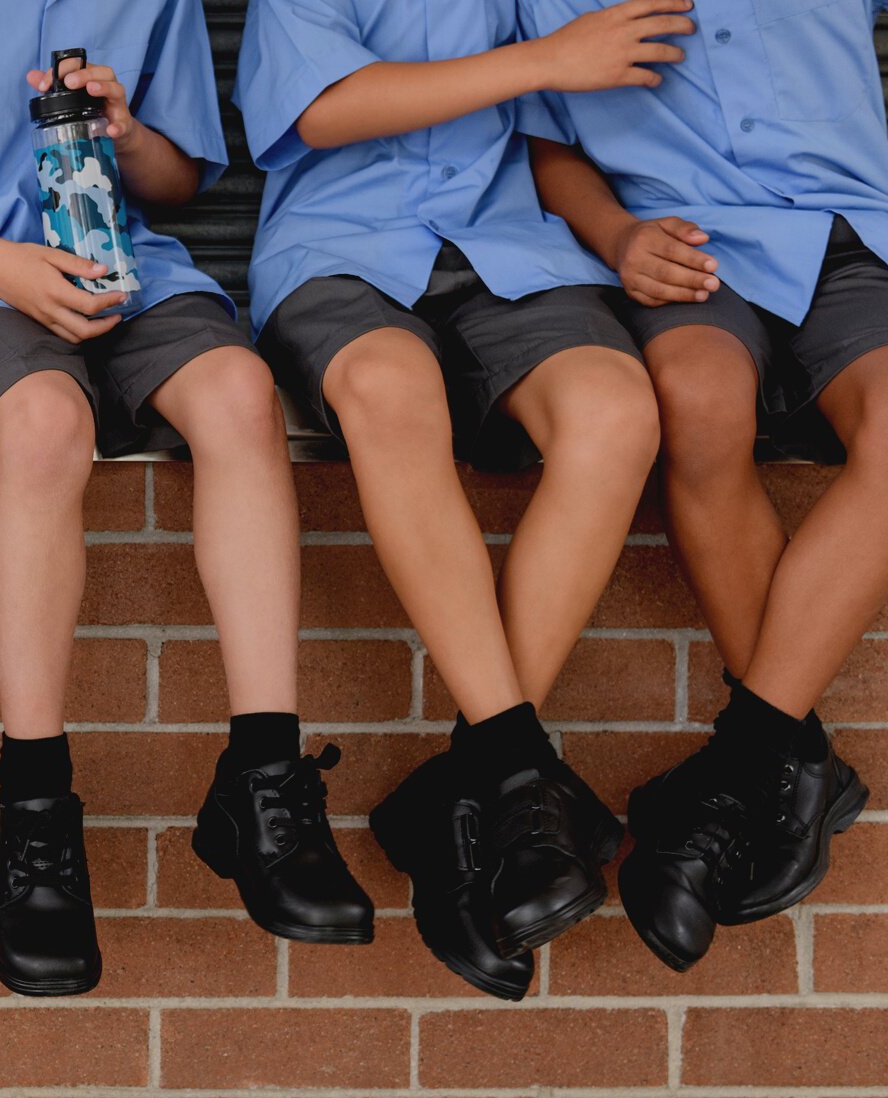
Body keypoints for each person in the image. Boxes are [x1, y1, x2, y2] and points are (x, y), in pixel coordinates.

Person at [0, 0, 375, 1001]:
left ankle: (263, 779)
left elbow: (176, 179)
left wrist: (127, 130)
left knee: (240, 393)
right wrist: (7, 268)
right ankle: (34, 805)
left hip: (122, 269)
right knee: (43, 424)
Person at [522, 0, 888, 970]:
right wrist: (616, 236)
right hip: (682, 249)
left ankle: (756, 761)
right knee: (698, 400)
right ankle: (785, 766)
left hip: (848, 237)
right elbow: (537, 138)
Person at [239, 0, 687, 998]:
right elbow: (324, 109)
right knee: (391, 393)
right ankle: (517, 772)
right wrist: (543, 59)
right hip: (343, 251)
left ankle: (466, 797)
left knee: (616, 411)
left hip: (510, 249)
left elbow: (562, 122)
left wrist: (616, 234)